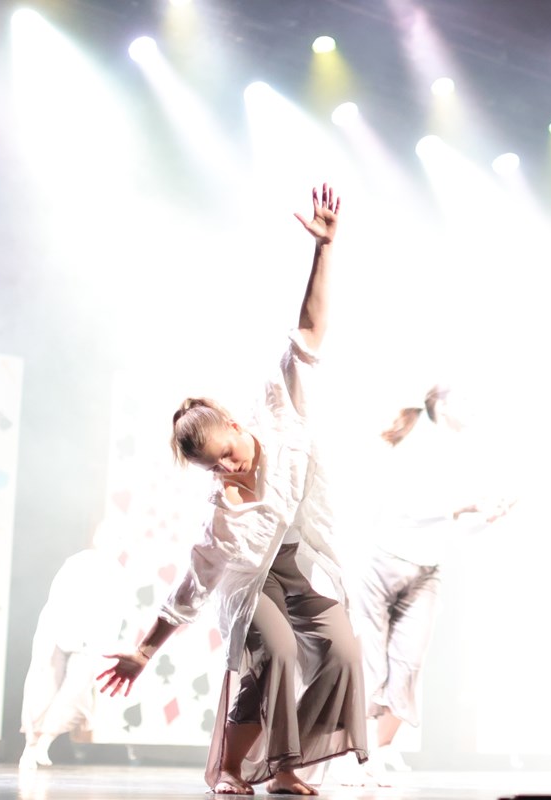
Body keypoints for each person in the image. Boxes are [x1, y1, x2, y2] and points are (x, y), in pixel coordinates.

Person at [96, 184, 368, 796]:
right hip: (252, 584)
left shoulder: (277, 407)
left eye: (227, 453)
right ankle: (234, 767)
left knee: (345, 652)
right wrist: (144, 651)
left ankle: (282, 764)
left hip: (297, 563)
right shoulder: (222, 513)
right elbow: (192, 585)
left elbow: (309, 330)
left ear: (237, 425)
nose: (226, 469)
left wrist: (323, 249)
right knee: (275, 650)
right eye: (212, 468)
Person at [349, 385, 512, 774]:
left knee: (409, 663)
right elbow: (410, 509)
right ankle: (355, 752)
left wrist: (487, 519)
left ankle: (381, 747)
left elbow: (454, 528)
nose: (475, 407)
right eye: (467, 399)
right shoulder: (417, 439)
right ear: (441, 402)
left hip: (426, 570)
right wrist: (465, 505)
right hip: (384, 562)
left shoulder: (465, 452)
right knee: (372, 663)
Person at [19, 521, 124, 770]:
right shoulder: (78, 562)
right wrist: (56, 632)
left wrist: (104, 644)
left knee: (75, 693)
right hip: (57, 630)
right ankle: (30, 746)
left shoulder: (116, 573)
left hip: (91, 640)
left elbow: (114, 614)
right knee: (43, 687)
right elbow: (57, 598)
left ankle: (44, 741)